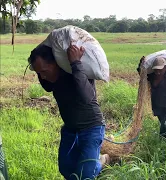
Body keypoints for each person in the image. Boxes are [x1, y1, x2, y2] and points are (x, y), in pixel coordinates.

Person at [28, 44, 110, 180]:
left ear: (56, 63)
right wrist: (38, 68)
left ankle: (102, 162)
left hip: (92, 128)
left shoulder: (76, 72)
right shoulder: (51, 79)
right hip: (70, 130)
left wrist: (76, 63)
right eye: (39, 73)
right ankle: (97, 161)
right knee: (66, 169)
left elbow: (87, 97)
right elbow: (47, 87)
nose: (42, 77)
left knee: (85, 176)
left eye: (44, 71)